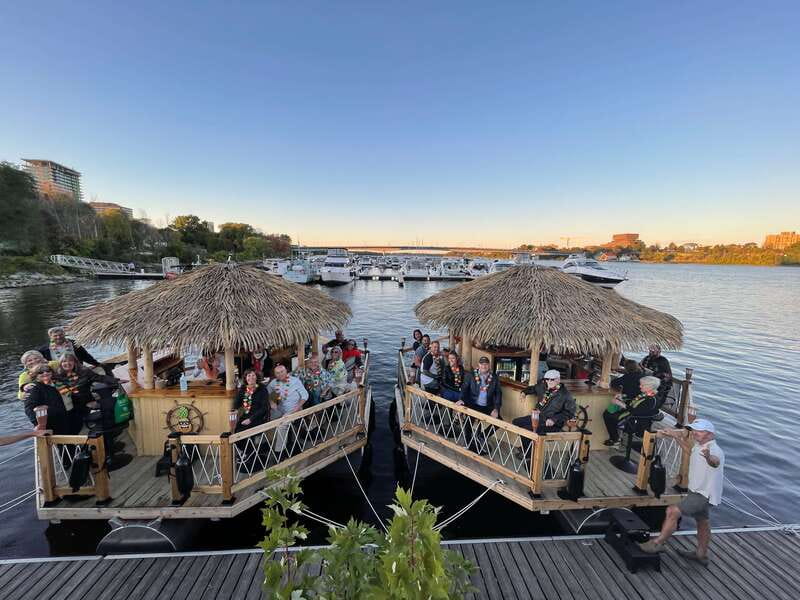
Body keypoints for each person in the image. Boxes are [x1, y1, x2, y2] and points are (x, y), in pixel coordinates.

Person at [640, 419, 724, 566]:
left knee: (672, 511)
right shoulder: (700, 446)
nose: (695, 433)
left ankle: (658, 543)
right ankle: (701, 555)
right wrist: (675, 436)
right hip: (698, 491)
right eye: (694, 430)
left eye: (700, 431)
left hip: (703, 494)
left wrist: (709, 457)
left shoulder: (713, 450)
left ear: (710, 434)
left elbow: (715, 462)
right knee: (702, 522)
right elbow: (688, 450)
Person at [53, 353, 123, 434]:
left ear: (75, 362)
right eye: (64, 361)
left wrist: (116, 380)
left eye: (70, 361)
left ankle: (110, 433)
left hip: (87, 401)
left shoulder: (84, 372)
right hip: (71, 408)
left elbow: (100, 378)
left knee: (111, 404)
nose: (67, 363)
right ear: (60, 364)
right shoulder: (57, 377)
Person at [513, 370, 576, 458]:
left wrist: (554, 419)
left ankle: (528, 454)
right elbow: (532, 388)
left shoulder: (565, 394)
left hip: (552, 424)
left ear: (558, 380)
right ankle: (528, 448)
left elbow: (570, 412)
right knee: (516, 422)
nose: (549, 381)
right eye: (547, 379)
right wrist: (524, 392)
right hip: (539, 417)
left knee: (526, 430)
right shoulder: (542, 387)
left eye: (552, 379)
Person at [458, 356, 502, 454]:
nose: (484, 366)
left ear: (489, 365)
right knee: (468, 420)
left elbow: (498, 393)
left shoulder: (494, 377)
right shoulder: (471, 375)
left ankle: (481, 436)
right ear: (478, 365)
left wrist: (496, 409)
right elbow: (464, 388)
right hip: (473, 403)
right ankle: (468, 443)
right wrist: (461, 399)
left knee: (499, 422)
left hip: (487, 405)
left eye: (486, 364)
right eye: (482, 364)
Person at [602, 375, 661, 446]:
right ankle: (615, 438)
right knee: (608, 414)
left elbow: (635, 411)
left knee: (608, 415)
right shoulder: (649, 394)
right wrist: (622, 397)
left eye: (642, 385)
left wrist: (620, 404)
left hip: (636, 421)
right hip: (635, 416)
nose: (640, 386)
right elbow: (634, 401)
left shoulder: (651, 400)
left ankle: (615, 439)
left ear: (650, 387)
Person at [267, 365, 309, 454]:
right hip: (280, 410)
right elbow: (267, 392)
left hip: (295, 409)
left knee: (282, 425)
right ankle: (278, 444)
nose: (280, 374)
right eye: (277, 373)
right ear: (275, 375)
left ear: (286, 371)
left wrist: (296, 408)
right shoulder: (273, 383)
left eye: (282, 371)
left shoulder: (295, 381)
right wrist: (271, 402)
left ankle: (279, 452)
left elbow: (305, 396)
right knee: (269, 420)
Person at [23, 364, 69, 434]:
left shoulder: (56, 383)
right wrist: (37, 424)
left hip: (63, 418)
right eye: (41, 372)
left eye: (48, 371)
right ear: (35, 375)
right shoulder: (33, 388)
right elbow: (29, 408)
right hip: (49, 423)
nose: (45, 373)